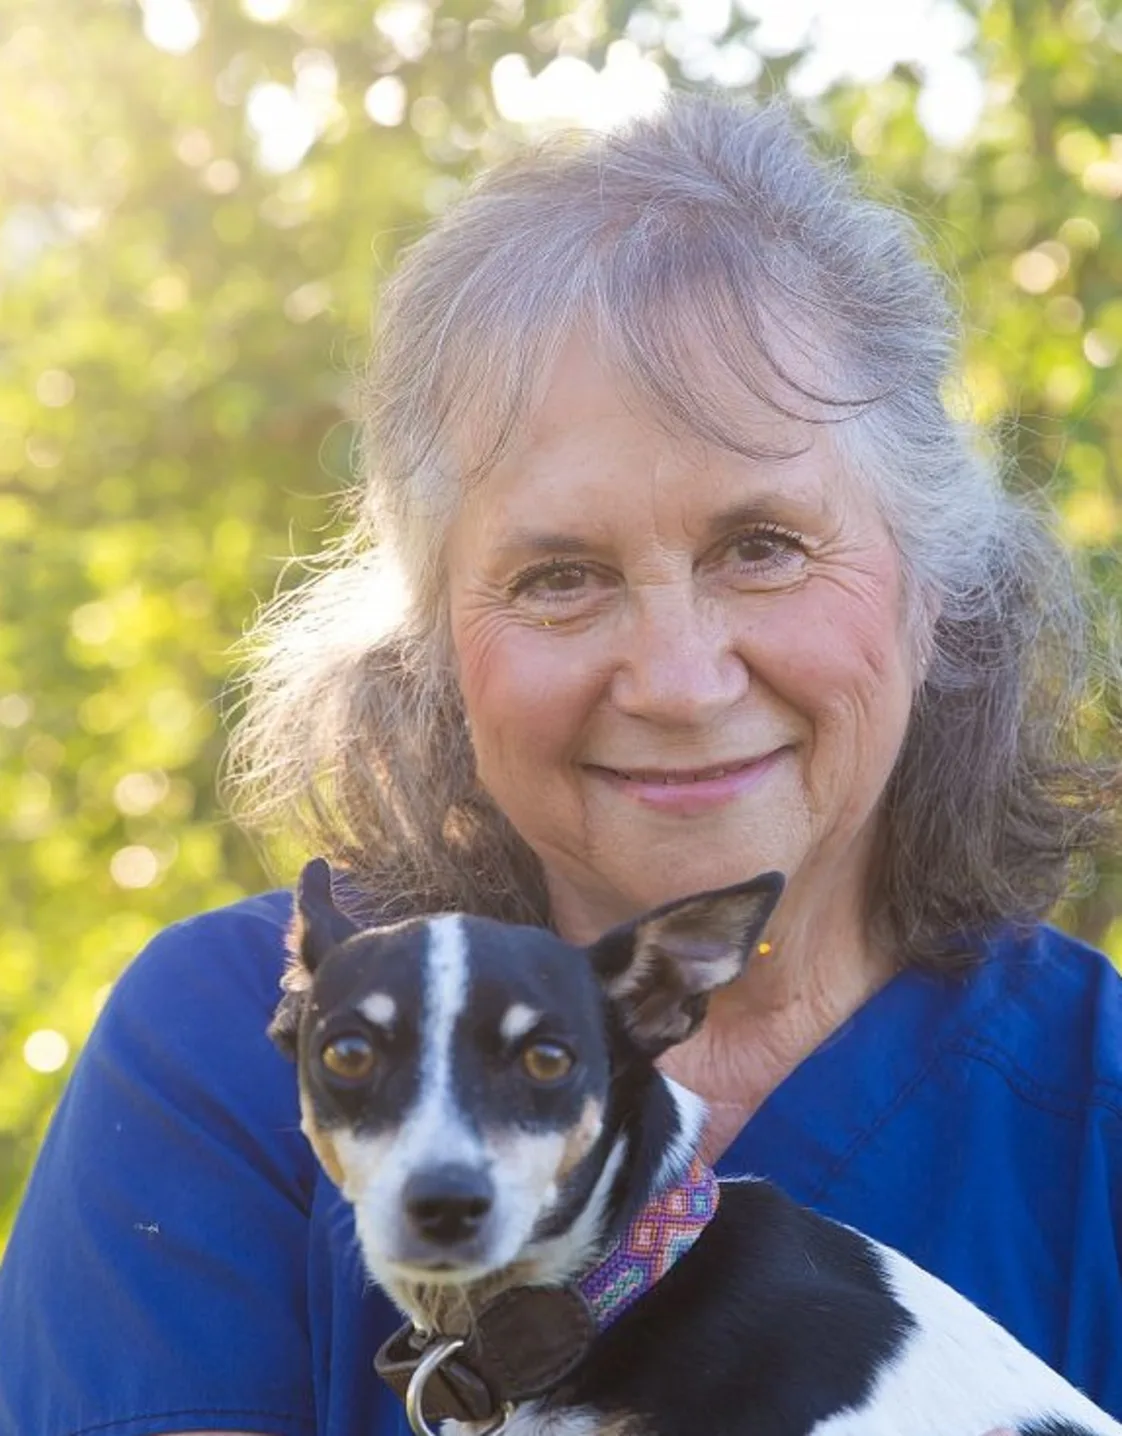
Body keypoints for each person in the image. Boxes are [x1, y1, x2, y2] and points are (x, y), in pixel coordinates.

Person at [0, 91, 1119, 1436]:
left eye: (762, 547)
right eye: (559, 577)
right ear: (433, 646)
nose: (678, 681)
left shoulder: (1094, 1118)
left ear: (934, 585)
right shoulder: (222, 1055)